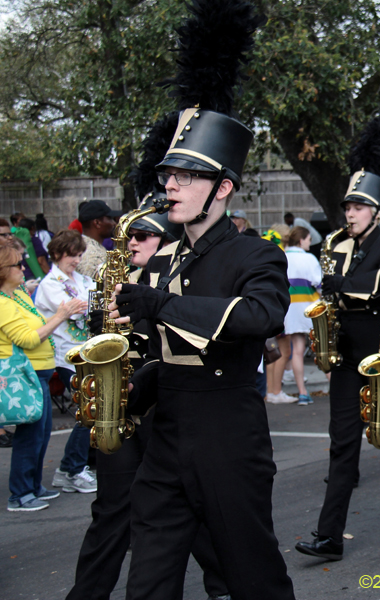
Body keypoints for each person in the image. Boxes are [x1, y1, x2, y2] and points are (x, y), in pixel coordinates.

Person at [107, 3, 295, 598]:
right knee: (149, 580)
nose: (171, 186)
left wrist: (157, 306)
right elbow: (155, 337)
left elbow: (261, 317)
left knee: (250, 579)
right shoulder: (165, 254)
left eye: (187, 176)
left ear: (224, 188)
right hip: (167, 432)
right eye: (169, 175)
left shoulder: (255, 254)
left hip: (228, 433)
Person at [66, 174, 229, 599]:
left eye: (143, 235)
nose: (134, 243)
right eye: (130, 236)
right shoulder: (111, 282)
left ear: (167, 243)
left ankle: (225, 584)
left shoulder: (182, 283)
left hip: (165, 413)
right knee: (111, 514)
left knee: (190, 510)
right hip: (120, 414)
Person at [296, 110, 380, 562]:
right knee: (341, 446)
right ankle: (329, 535)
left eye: (358, 207)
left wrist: (343, 287)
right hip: (346, 355)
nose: (349, 213)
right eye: (347, 207)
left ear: (377, 213)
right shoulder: (338, 246)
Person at [2, 239, 87, 511]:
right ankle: (21, 494)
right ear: (3, 270)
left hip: (40, 371)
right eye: (17, 264)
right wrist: (61, 315)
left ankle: (34, 486)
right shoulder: (4, 302)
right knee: (29, 437)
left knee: (40, 436)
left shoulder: (18, 295)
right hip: (27, 372)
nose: (23, 268)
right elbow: (27, 338)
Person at [33, 230, 97, 494]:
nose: (77, 259)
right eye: (72, 254)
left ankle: (78, 466)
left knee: (93, 410)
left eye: (80, 254)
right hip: (66, 357)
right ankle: (70, 469)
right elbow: (77, 308)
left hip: (88, 351)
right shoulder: (50, 284)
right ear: (57, 254)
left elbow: (95, 302)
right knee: (87, 411)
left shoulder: (81, 278)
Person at [281, 225, 320, 405]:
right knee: (322, 349)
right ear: (301, 239)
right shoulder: (309, 258)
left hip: (290, 309)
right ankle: (335, 388)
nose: (310, 243)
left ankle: (303, 393)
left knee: (297, 351)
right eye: (309, 240)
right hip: (311, 307)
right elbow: (319, 283)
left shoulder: (283, 257)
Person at [76, 200, 120, 279]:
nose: (114, 223)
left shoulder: (79, 245)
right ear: (97, 223)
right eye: (110, 219)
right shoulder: (93, 255)